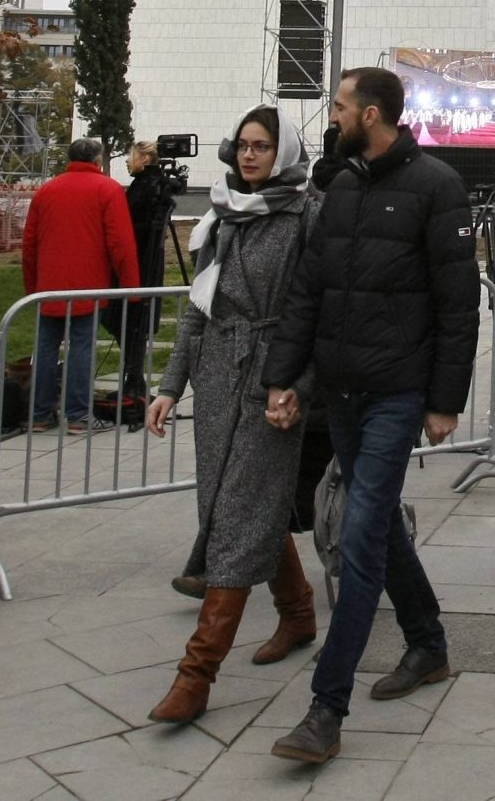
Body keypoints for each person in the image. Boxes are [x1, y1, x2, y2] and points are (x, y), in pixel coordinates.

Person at [261, 67, 478, 766]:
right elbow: (308, 291)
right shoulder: (343, 187)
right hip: (343, 391)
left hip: (397, 392)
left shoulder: (437, 186)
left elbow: (457, 302)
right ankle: (429, 641)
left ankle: (327, 706)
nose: (334, 114)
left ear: (375, 114)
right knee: (377, 521)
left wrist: (446, 398)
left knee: (358, 536)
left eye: (343, 105)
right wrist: (284, 378)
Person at [143, 105, 316, 722]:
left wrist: (292, 383)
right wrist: (169, 387)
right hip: (217, 375)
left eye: (262, 146)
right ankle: (297, 614)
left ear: (284, 154)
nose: (248, 155)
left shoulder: (305, 215)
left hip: (273, 380)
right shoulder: (219, 214)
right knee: (235, 500)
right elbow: (198, 308)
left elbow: (314, 314)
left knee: (240, 509)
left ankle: (196, 675)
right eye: (242, 145)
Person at [22, 137, 140, 432]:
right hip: (88, 284)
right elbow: (121, 243)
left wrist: (31, 287)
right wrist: (131, 287)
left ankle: (40, 413)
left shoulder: (46, 190)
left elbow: (30, 244)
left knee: (46, 346)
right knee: (81, 346)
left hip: (49, 285)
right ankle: (77, 414)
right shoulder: (108, 189)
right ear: (98, 161)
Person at [120, 139, 181, 404]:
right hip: (144, 264)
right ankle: (134, 378)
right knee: (135, 326)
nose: (127, 161)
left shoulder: (144, 187)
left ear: (144, 159)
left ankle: (134, 379)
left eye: (131, 156)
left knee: (134, 324)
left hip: (140, 264)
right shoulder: (148, 185)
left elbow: (132, 226)